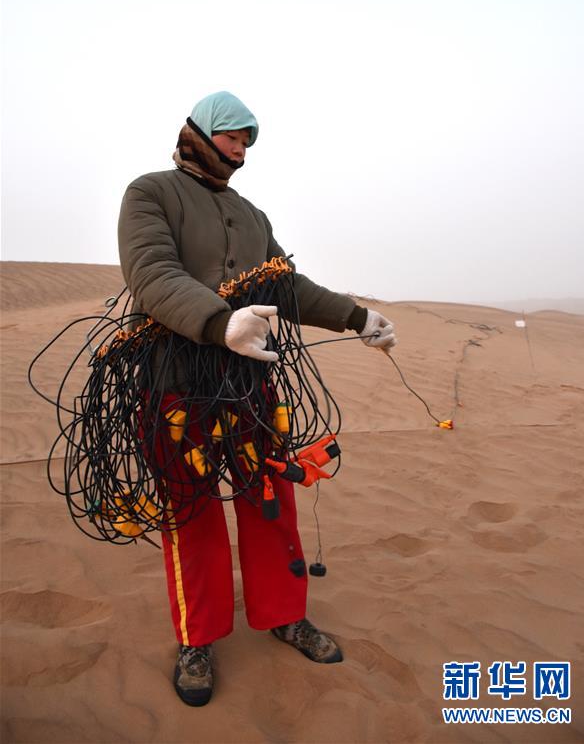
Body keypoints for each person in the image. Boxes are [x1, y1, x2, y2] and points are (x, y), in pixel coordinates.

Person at [117, 91, 396, 706]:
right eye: (231, 136)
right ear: (200, 131)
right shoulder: (150, 193)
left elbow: (285, 284)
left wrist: (356, 316)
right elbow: (151, 273)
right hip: (173, 381)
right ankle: (199, 639)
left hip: (251, 385)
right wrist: (220, 323)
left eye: (248, 141)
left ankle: (285, 615)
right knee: (189, 510)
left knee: (271, 499)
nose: (240, 150)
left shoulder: (252, 213)